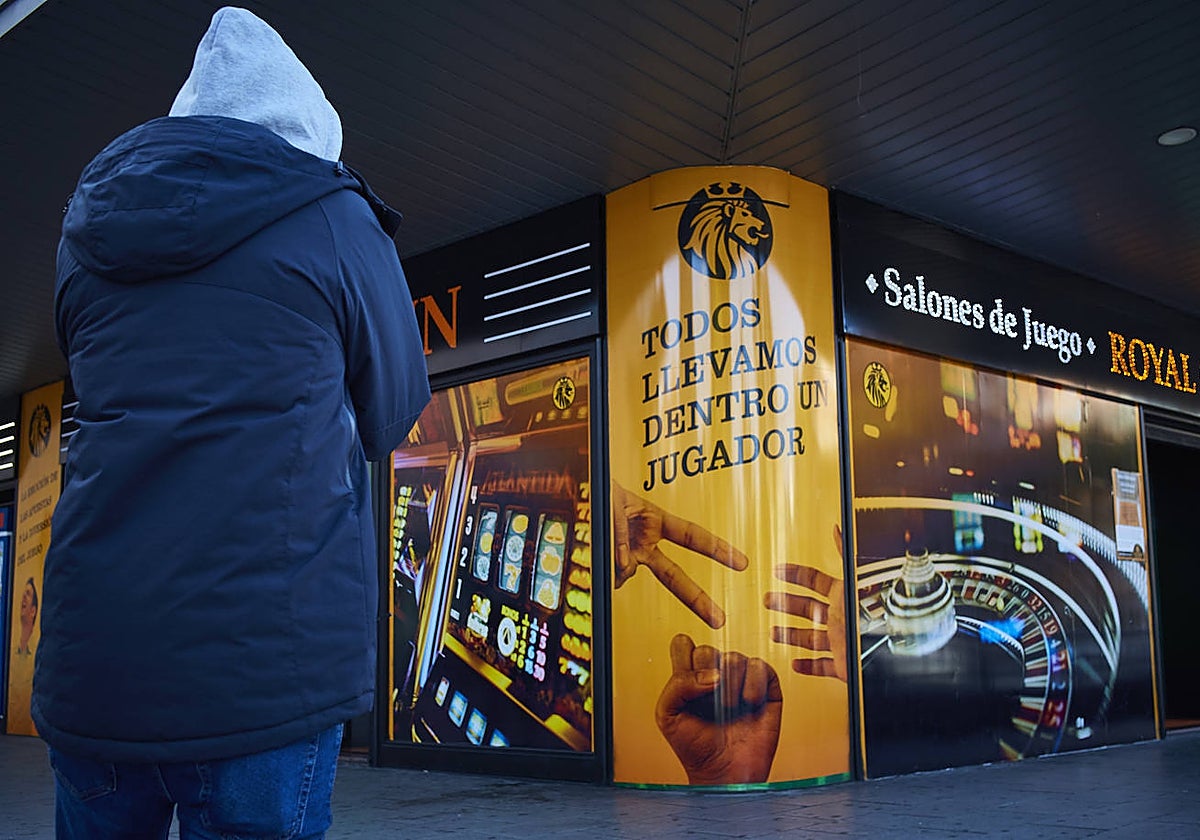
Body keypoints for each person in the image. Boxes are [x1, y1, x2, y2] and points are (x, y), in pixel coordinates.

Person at [33, 7, 430, 838]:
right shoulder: (336, 218)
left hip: (96, 662)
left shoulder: (87, 234)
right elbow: (390, 411)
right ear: (309, 132)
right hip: (263, 672)